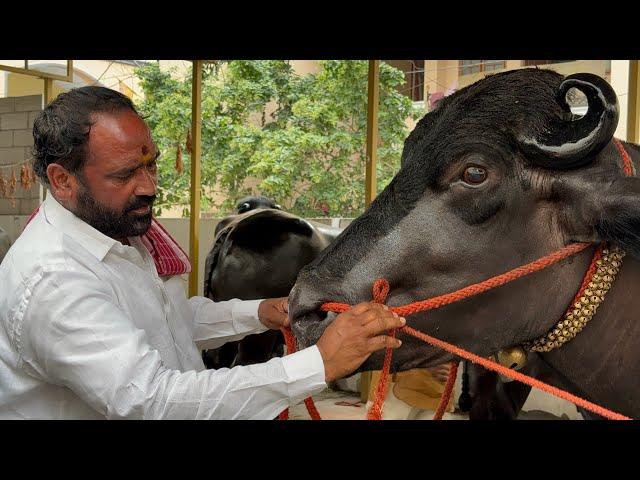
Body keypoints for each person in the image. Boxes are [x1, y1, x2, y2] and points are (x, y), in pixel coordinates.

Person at [0, 86, 404, 419]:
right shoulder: (55, 279)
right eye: (125, 174)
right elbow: (153, 399)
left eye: (152, 166)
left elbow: (166, 322)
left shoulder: (116, 232)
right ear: (62, 180)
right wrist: (320, 363)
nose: (148, 187)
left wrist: (260, 312)